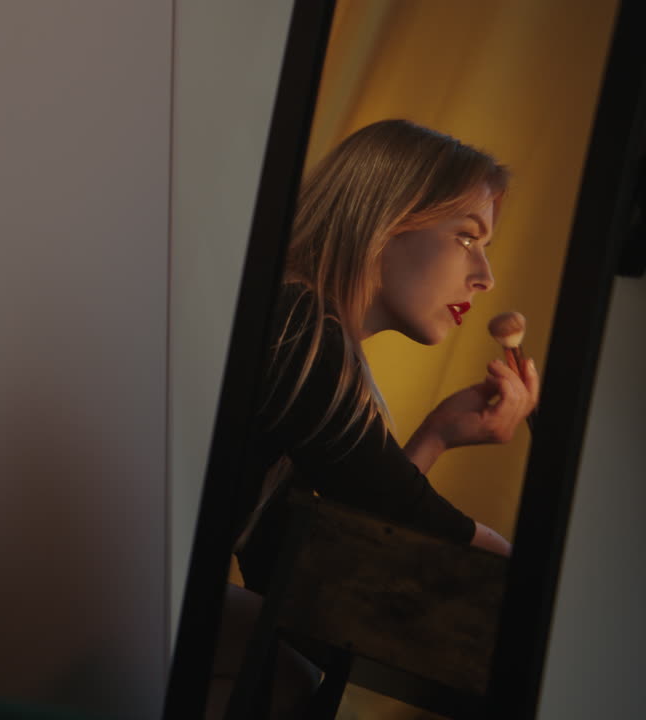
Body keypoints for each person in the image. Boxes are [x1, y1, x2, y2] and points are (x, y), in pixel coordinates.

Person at [207, 119, 540, 719]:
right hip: (105, 587)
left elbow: (308, 566)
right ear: (384, 219)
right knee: (283, 676)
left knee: (286, 672)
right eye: (467, 237)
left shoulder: (300, 329)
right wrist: (538, 585)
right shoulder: (296, 326)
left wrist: (436, 434)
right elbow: (394, 508)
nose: (485, 277)